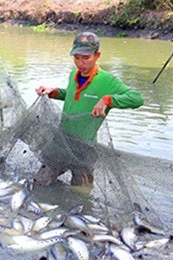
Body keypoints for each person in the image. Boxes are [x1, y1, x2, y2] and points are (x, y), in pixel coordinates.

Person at [34, 31, 144, 186]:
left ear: (97, 55)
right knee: (39, 183)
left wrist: (108, 100)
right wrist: (55, 92)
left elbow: (137, 99)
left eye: (86, 58)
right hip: (61, 143)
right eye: (76, 58)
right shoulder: (73, 74)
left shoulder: (108, 81)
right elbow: (72, 95)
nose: (80, 63)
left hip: (85, 150)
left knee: (81, 193)